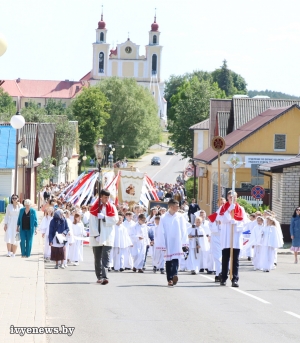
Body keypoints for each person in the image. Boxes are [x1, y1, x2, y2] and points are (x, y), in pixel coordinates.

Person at [155, 199, 189, 287]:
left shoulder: (180, 217)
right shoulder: (163, 217)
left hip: (177, 241)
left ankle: (174, 275)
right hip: (168, 241)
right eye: (176, 206)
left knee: (176, 259)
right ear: (171, 206)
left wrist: (184, 243)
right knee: (169, 261)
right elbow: (160, 231)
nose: (178, 207)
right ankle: (169, 279)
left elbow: (184, 230)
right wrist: (162, 244)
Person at [217, 191, 247, 287]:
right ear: (228, 197)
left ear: (236, 198)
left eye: (234, 197)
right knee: (225, 259)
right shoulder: (223, 207)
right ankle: (224, 278)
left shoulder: (240, 208)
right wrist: (228, 211)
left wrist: (237, 223)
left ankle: (235, 279)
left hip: (236, 237)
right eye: (230, 197)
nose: (232, 199)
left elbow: (245, 223)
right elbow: (220, 219)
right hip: (226, 237)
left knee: (235, 260)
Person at [89, 189, 119, 285]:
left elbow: (115, 220)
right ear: (101, 197)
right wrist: (96, 234)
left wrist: (105, 218)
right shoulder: (95, 208)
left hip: (108, 235)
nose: (107, 199)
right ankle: (99, 276)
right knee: (97, 257)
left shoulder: (112, 207)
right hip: (97, 236)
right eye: (105, 197)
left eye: (108, 197)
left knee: (106, 256)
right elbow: (92, 223)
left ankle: (105, 277)